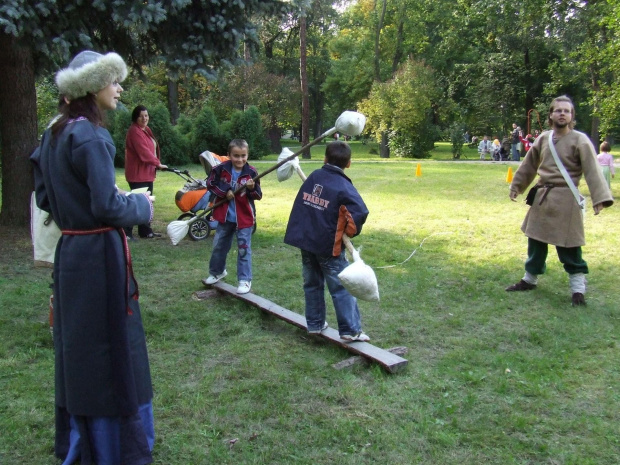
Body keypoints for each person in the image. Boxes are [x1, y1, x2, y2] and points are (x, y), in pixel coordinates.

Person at [30, 51, 156, 464]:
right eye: (114, 81)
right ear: (92, 86)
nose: (120, 89)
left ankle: (79, 439)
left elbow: (46, 195)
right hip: (99, 256)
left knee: (79, 348)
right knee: (110, 347)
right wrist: (140, 206)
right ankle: (114, 446)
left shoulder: (55, 132)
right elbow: (106, 206)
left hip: (71, 254)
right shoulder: (91, 137)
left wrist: (79, 208)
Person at [506, 95, 614, 306]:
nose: (562, 113)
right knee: (535, 241)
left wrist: (600, 198)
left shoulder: (580, 140)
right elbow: (529, 165)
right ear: (551, 114)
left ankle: (578, 290)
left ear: (572, 116)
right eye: (558, 110)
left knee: (570, 247)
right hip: (542, 198)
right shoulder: (543, 139)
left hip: (567, 199)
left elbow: (592, 170)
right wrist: (516, 187)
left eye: (567, 111)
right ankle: (529, 279)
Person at [284, 141, 370, 341]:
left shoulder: (314, 176)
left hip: (307, 241)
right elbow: (360, 212)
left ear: (324, 158)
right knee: (341, 286)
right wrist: (347, 230)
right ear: (349, 163)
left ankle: (315, 324)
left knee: (312, 283)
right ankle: (350, 330)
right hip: (327, 246)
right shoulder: (344, 186)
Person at [202, 139, 262, 294]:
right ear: (228, 155)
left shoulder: (252, 173)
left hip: (244, 218)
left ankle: (244, 280)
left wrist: (251, 188)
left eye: (243, 155)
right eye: (236, 156)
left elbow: (258, 195)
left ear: (247, 155)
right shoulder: (220, 169)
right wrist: (225, 191)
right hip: (225, 216)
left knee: (243, 248)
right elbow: (210, 183)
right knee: (219, 246)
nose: (240, 159)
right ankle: (217, 272)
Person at [124, 105, 167, 239]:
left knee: (147, 202)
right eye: (141, 116)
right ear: (135, 117)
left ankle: (145, 230)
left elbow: (152, 149)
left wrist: (156, 164)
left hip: (147, 173)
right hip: (137, 174)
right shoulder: (134, 132)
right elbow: (144, 152)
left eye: (146, 115)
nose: (144, 118)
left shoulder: (145, 130)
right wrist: (157, 163)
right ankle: (126, 232)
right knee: (136, 204)